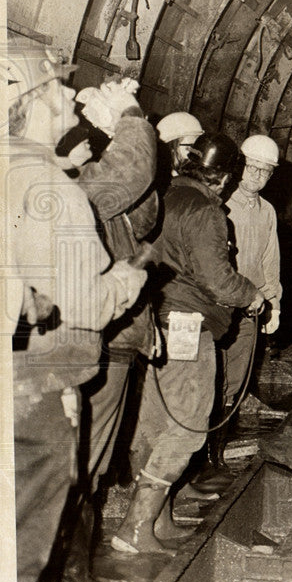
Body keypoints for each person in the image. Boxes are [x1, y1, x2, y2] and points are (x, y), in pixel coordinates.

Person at [3, 41, 146, 582]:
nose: (67, 93)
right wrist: (128, 279)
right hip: (37, 383)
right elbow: (85, 303)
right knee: (25, 546)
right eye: (55, 87)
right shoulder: (47, 188)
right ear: (31, 104)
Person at [114, 132, 263, 555]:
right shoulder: (205, 211)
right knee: (188, 427)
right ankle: (135, 527)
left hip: (152, 323)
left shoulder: (161, 198)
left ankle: (159, 520)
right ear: (224, 179)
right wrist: (252, 294)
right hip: (187, 326)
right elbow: (217, 279)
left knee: (155, 423)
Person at [63, 76, 161, 582]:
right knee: (76, 467)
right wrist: (127, 118)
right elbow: (131, 171)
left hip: (108, 345)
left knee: (90, 464)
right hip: (84, 346)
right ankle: (68, 578)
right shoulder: (56, 192)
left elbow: (141, 209)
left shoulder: (88, 197)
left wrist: (115, 130)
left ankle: (74, 571)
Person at [211, 134, 282, 467]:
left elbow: (270, 258)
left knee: (236, 381)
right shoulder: (219, 203)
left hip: (251, 308)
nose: (256, 176)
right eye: (252, 168)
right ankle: (201, 458)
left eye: (265, 171)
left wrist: (274, 300)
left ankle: (217, 454)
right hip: (218, 306)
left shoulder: (267, 211)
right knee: (211, 377)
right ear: (239, 166)